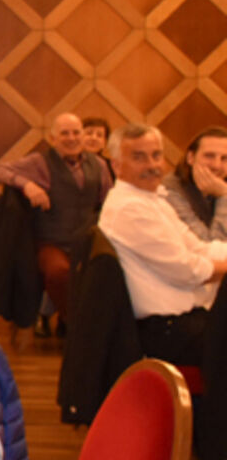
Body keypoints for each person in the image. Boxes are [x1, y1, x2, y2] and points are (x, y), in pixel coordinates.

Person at [97, 124, 227, 368]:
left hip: (185, 321)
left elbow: (199, 247)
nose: (152, 165)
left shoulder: (153, 199)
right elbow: (187, 271)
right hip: (167, 331)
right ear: (116, 165)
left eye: (156, 155)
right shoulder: (129, 209)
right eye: (139, 157)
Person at [0, 112, 113, 332]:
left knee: (108, 270)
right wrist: (27, 185)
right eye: (65, 133)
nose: (71, 138)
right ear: (53, 138)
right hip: (51, 242)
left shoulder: (99, 165)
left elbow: (108, 202)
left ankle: (85, 325)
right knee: (59, 273)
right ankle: (78, 326)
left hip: (86, 242)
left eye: (76, 132)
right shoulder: (39, 162)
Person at [168, 126, 227, 242]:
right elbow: (211, 246)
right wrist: (224, 197)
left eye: (225, 158)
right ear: (190, 158)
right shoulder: (171, 192)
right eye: (209, 156)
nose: (217, 165)